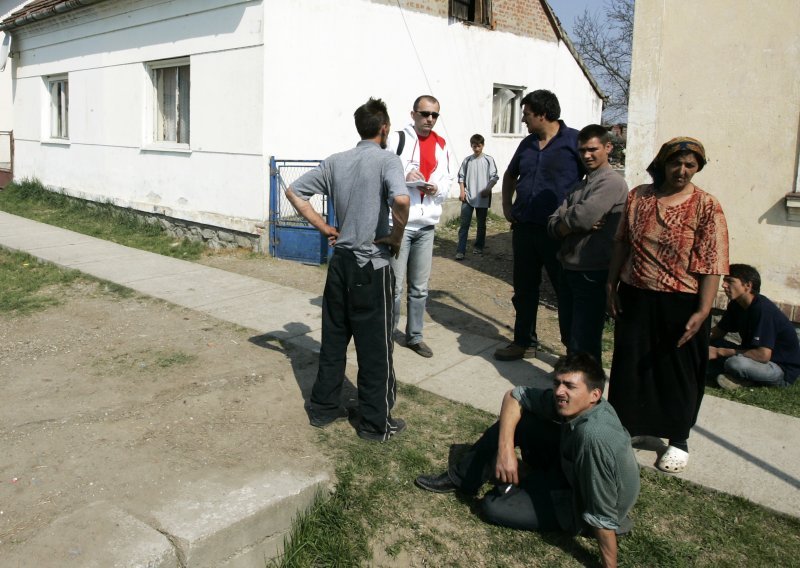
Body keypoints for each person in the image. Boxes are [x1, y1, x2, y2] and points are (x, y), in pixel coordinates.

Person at [415, 353, 640, 568]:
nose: (559, 392)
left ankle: (517, 484)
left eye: (570, 386)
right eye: (557, 383)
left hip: (580, 502)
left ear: (595, 394)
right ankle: (462, 479)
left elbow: (601, 513)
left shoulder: (594, 437)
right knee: (521, 421)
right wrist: (506, 451)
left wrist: (609, 564)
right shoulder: (577, 405)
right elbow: (515, 395)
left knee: (492, 506)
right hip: (569, 467)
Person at [285, 97, 411, 442]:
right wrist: (396, 237)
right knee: (375, 347)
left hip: (340, 264)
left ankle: (323, 408)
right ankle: (374, 423)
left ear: (360, 128)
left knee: (334, 339)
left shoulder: (336, 162)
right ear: (384, 128)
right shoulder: (388, 160)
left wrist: (325, 227)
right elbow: (401, 200)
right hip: (372, 264)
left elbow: (294, 191)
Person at [606, 137, 729, 473]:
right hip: (637, 294)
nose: (682, 170)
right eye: (676, 163)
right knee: (630, 364)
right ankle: (626, 428)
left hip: (683, 301)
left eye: (691, 165)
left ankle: (678, 439)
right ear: (662, 163)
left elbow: (713, 262)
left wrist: (704, 311)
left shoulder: (707, 205)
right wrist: (611, 284)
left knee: (679, 370)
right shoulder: (639, 197)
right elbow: (621, 244)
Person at [494, 90, 584, 361]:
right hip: (524, 228)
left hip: (558, 233)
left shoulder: (574, 141)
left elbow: (593, 178)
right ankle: (524, 342)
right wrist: (508, 207)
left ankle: (572, 353)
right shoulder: (527, 144)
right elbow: (510, 175)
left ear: (542, 114)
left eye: (526, 114)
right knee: (524, 290)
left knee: (564, 292)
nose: (523, 119)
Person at [547, 124, 628, 364]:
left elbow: (583, 217)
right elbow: (552, 223)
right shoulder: (581, 185)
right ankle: (573, 381)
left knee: (585, 339)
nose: (586, 155)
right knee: (569, 333)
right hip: (569, 268)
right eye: (582, 150)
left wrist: (570, 221)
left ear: (608, 147)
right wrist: (569, 224)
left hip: (592, 271)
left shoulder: (612, 182)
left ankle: (586, 393)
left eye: (592, 149)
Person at [385, 95, 454, 359]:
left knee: (419, 288)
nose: (430, 119)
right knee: (395, 287)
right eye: (425, 114)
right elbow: (383, 174)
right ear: (413, 114)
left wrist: (436, 187)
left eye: (435, 115)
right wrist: (404, 177)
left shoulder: (441, 145)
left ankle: (414, 337)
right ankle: (387, 334)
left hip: (426, 226)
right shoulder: (397, 139)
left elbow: (447, 181)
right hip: (400, 225)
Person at [709, 264, 800, 389]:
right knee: (712, 345)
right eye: (724, 281)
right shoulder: (736, 304)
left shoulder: (763, 310)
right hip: (752, 358)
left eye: (730, 281)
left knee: (735, 363)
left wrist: (719, 352)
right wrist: (695, 340)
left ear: (748, 286)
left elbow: (762, 355)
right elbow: (718, 332)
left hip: (778, 369)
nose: (723, 285)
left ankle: (744, 381)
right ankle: (738, 377)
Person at [455, 133, 499, 260]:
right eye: (474, 146)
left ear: (483, 145)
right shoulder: (467, 160)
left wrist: (488, 189)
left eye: (479, 146)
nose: (477, 149)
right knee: (464, 225)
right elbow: (461, 177)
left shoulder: (488, 160)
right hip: (468, 197)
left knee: (481, 224)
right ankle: (460, 250)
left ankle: (478, 247)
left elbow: (495, 176)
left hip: (483, 197)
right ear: (471, 146)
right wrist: (462, 191)